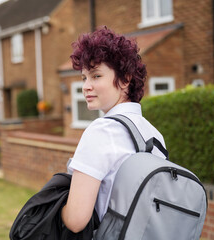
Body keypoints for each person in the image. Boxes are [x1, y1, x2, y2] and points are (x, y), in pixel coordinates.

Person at [61, 26, 166, 233]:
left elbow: (76, 220)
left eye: (96, 76)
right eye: (84, 77)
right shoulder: (155, 135)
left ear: (125, 79)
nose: (86, 86)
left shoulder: (102, 130)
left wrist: (55, 209)